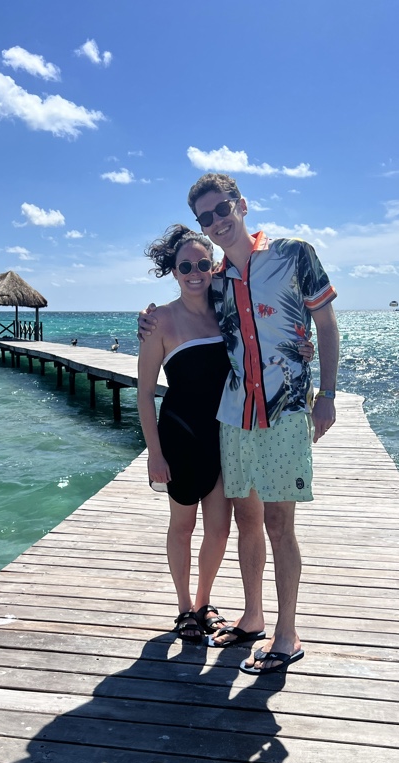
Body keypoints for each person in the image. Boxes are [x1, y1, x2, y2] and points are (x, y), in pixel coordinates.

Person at [139, 173, 339, 675]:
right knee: (248, 521)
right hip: (235, 418)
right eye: (205, 216)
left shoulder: (294, 254)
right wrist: (148, 320)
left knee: (279, 525)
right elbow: (193, 314)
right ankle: (253, 619)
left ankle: (286, 634)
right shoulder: (219, 280)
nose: (216, 221)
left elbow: (325, 324)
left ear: (241, 205)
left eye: (222, 209)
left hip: (286, 410)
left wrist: (327, 395)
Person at [137, 224, 233, 642]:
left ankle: (203, 603)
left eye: (202, 264)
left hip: (226, 435)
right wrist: (154, 453)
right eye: (186, 266)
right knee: (182, 526)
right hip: (180, 435)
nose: (195, 273)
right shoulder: (158, 320)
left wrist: (302, 348)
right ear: (174, 272)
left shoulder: (227, 312)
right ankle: (183, 609)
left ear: (213, 267)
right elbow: (144, 394)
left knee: (220, 529)